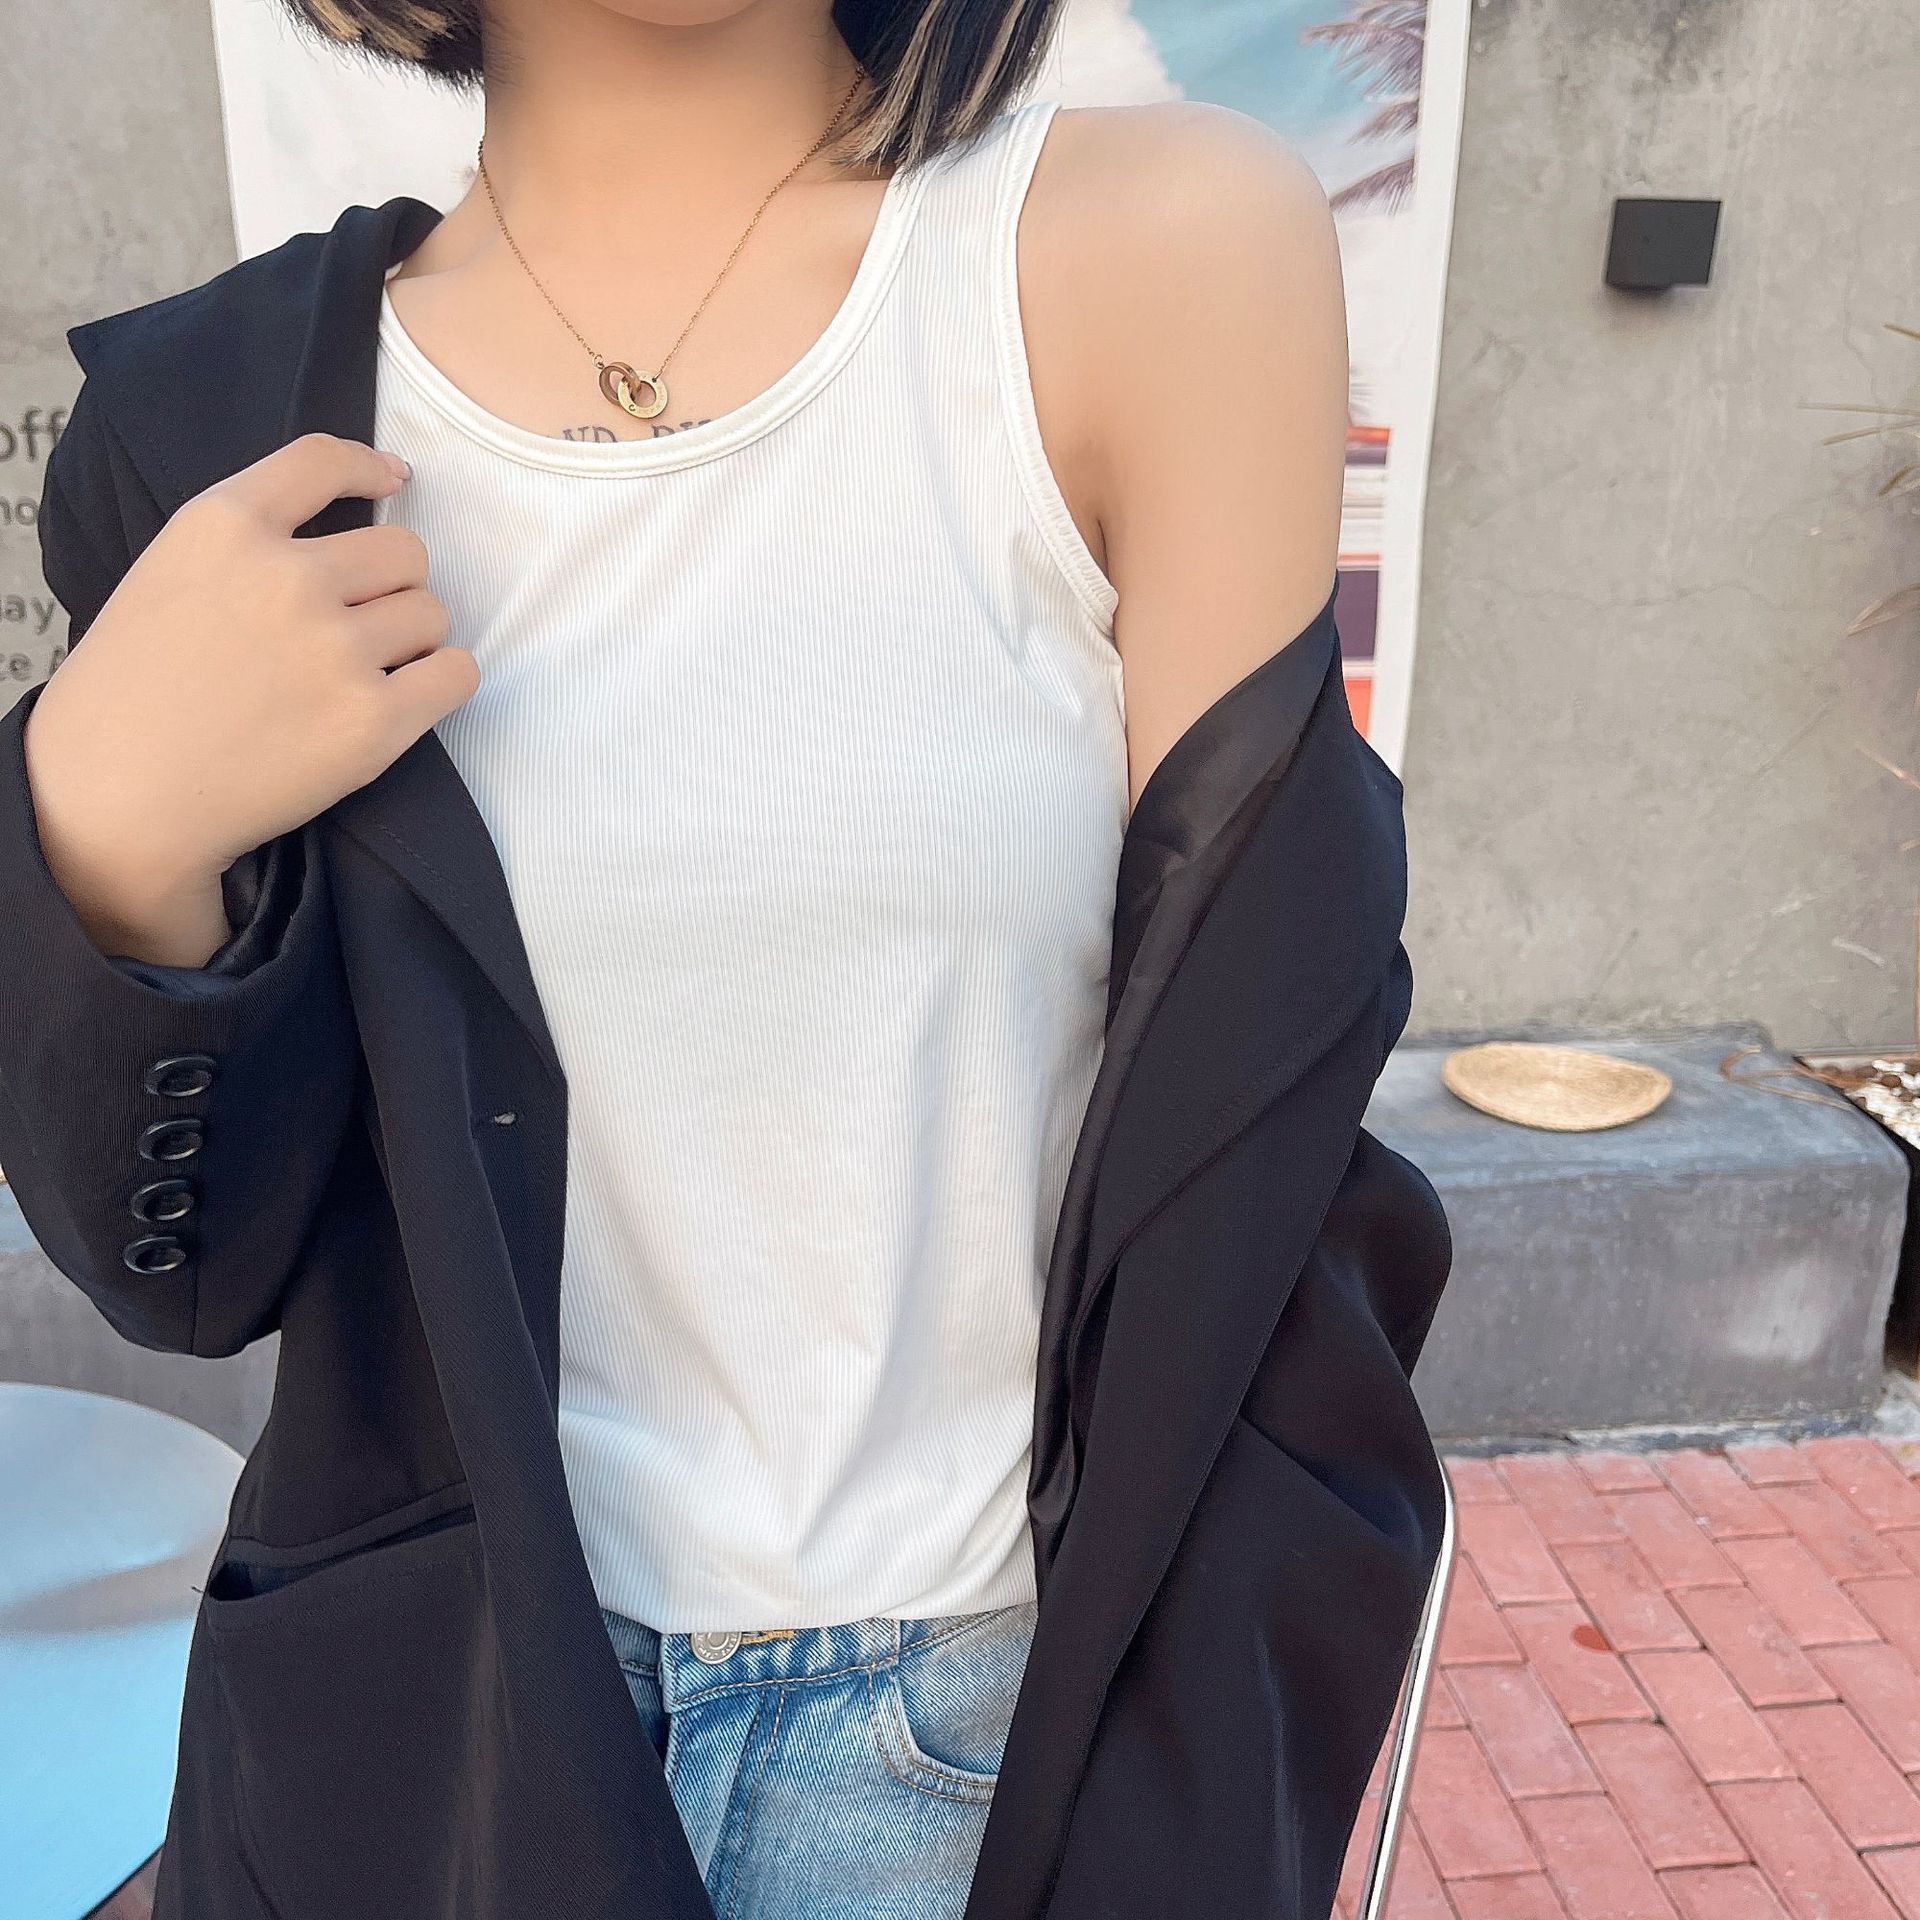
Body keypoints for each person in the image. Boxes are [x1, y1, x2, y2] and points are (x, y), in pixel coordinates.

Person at [2, 3, 1449, 1917]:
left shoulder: (1148, 253)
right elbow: (191, 1271)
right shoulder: (216, 422)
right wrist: (96, 829)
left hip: (977, 1740)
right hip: (436, 1749)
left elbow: (1252, 1135)